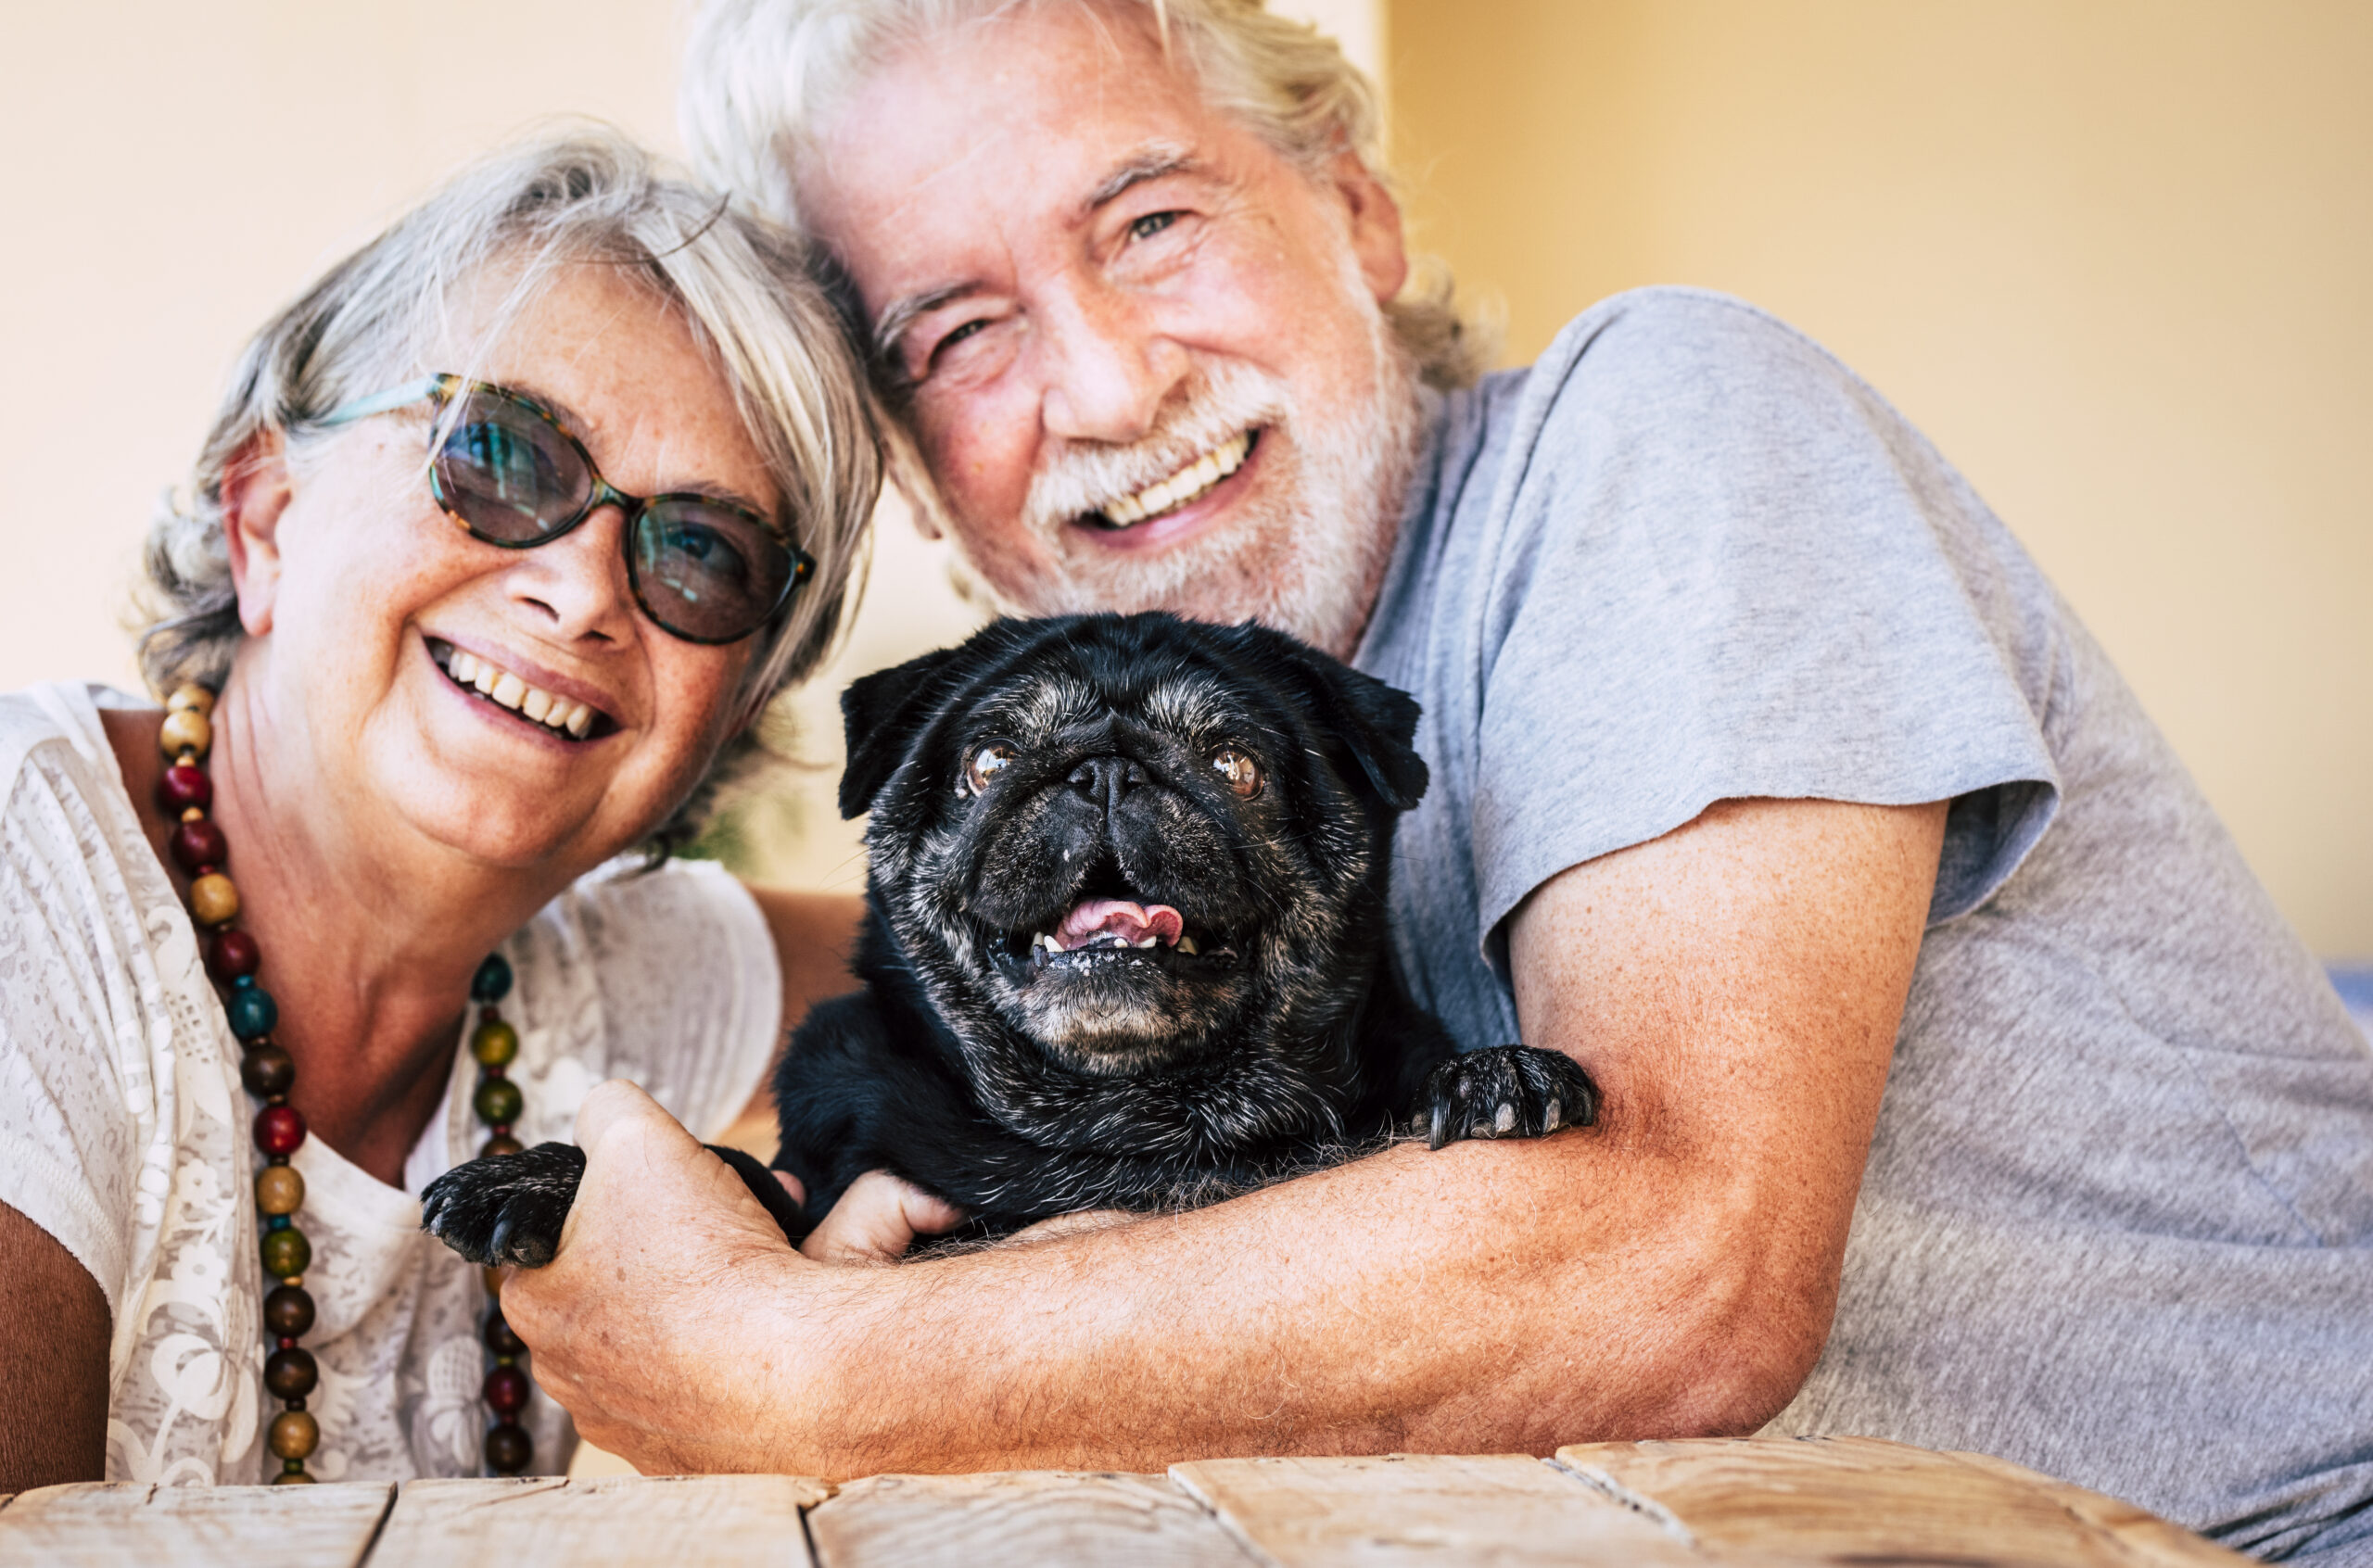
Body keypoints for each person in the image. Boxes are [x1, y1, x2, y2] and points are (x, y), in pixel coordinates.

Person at [500, 3, 2373, 1561]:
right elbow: (905, 957)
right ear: (921, 476)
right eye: (959, 333)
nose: (1102, 382)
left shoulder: (1655, 431)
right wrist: (493, 935)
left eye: (1149, 223)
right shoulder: (1235, 801)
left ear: (1354, 209)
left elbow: (1672, 1265)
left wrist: (795, 1368)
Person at [0, 129, 882, 1487]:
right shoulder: (26, 886)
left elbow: (1023, 972)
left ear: (727, 714)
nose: (586, 592)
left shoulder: (603, 980)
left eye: (705, 551)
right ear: (267, 515)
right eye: (504, 456)